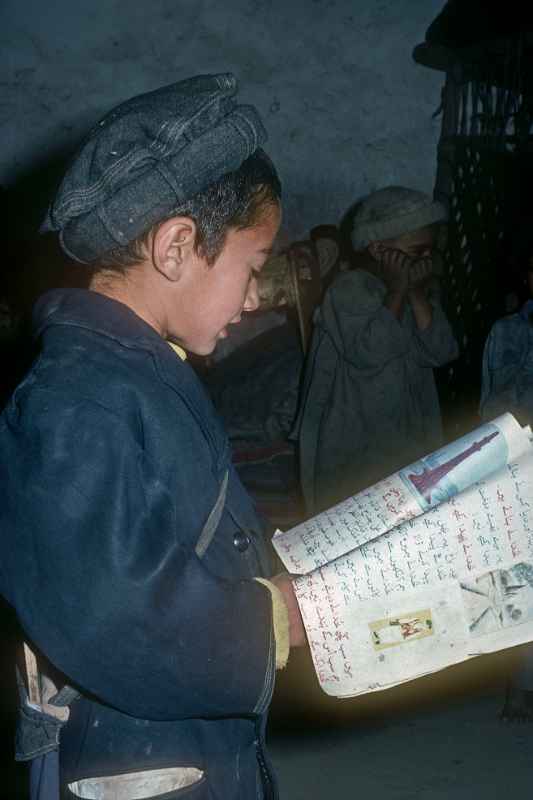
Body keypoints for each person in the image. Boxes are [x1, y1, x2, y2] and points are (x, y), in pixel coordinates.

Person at [0, 73, 305, 800]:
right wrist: (272, 619)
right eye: (252, 267)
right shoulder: (76, 401)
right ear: (176, 248)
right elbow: (113, 618)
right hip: (133, 758)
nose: (254, 298)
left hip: (180, 740)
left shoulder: (139, 370)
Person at [293, 186, 459, 514]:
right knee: (356, 514)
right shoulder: (348, 290)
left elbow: (442, 351)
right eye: (417, 252)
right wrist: (398, 291)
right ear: (379, 249)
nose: (425, 261)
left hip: (407, 434)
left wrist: (415, 294)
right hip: (354, 438)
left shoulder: (416, 294)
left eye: (429, 252)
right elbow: (369, 352)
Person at [480, 241, 533, 722]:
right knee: (520, 577)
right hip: (520, 469)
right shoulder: (508, 333)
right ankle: (519, 687)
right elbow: (492, 410)